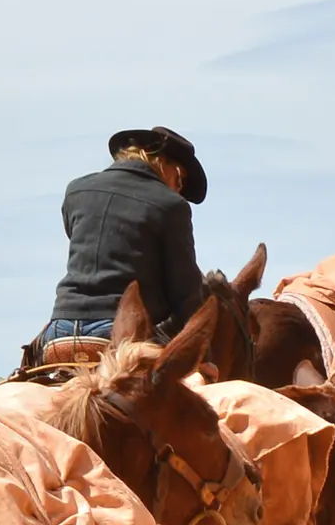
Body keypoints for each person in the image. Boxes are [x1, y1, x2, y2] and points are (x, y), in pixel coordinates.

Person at [30, 126, 207, 368]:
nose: (178, 189)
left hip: (59, 334)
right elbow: (185, 293)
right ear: (166, 164)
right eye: (181, 179)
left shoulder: (76, 190)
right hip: (119, 338)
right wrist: (200, 354)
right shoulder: (171, 205)